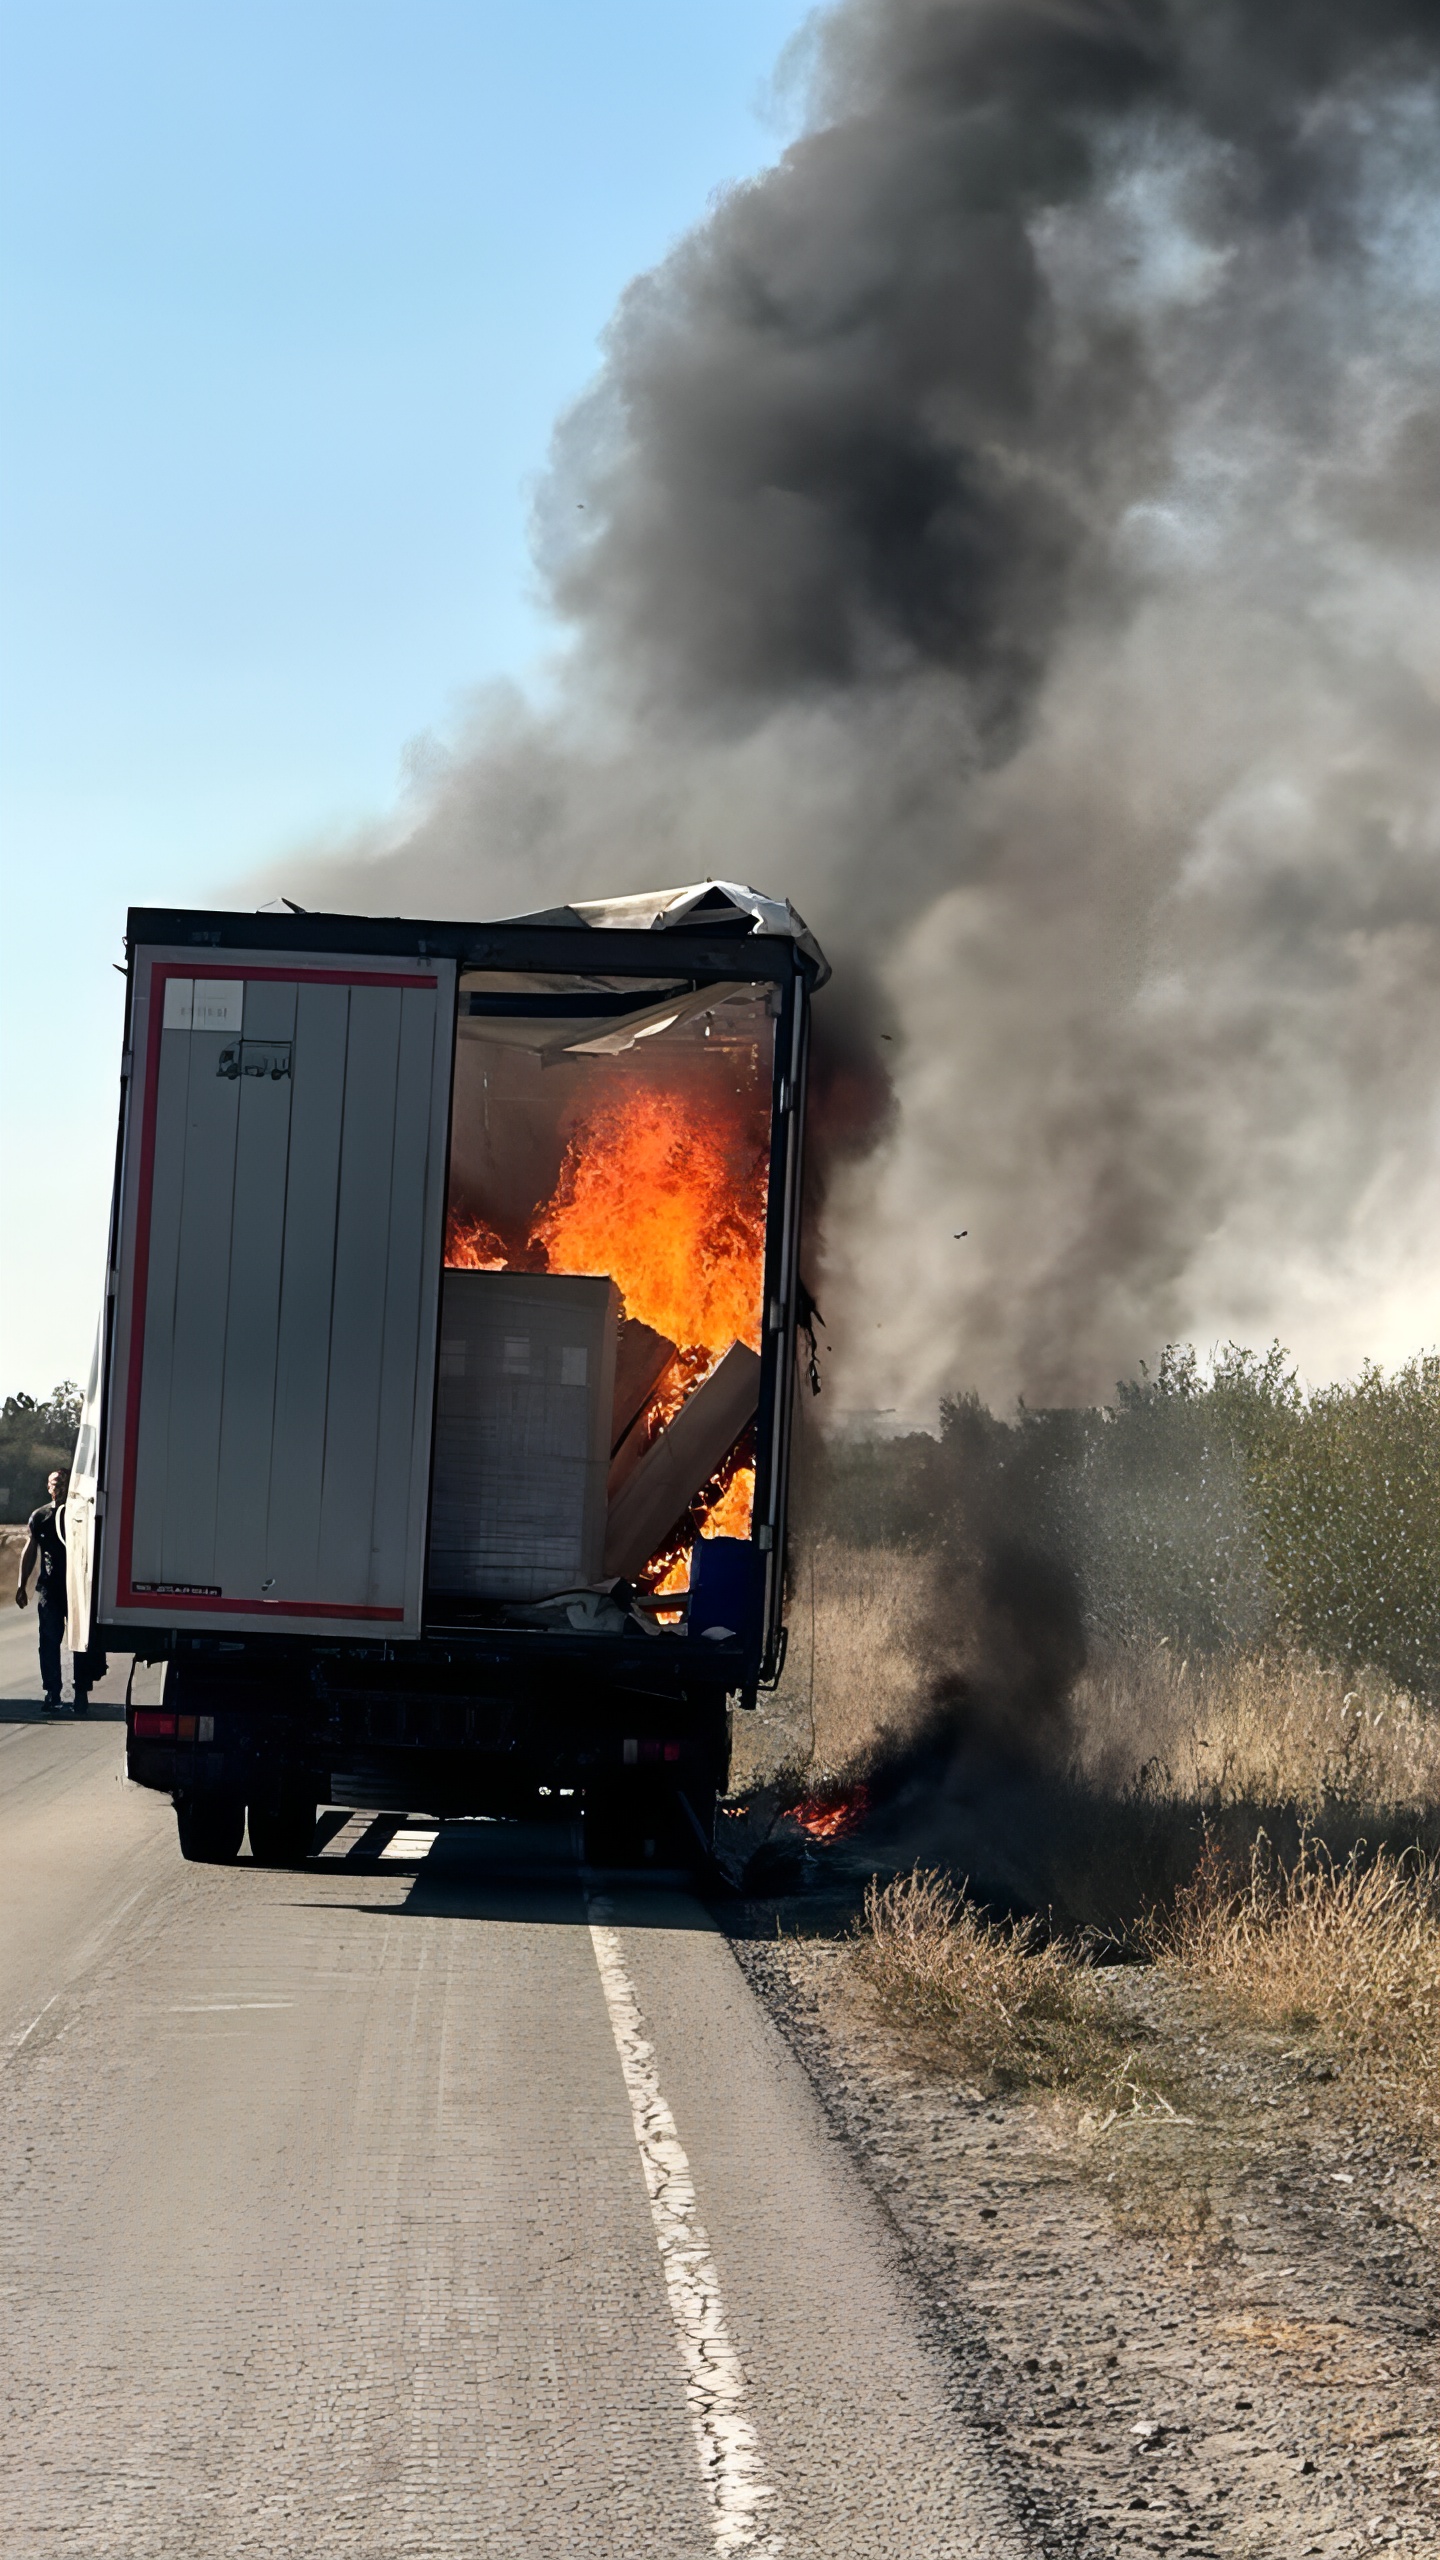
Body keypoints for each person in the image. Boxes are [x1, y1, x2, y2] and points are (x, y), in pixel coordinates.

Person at [15, 1469, 75, 1712]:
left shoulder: (79, 1516)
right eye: (54, 1484)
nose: (58, 1487)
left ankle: (81, 1691)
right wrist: (21, 1584)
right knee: (49, 1641)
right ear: (47, 1487)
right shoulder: (39, 1516)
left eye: (62, 1483)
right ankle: (52, 1692)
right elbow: (30, 1550)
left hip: (77, 1591)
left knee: (83, 1643)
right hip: (50, 1588)